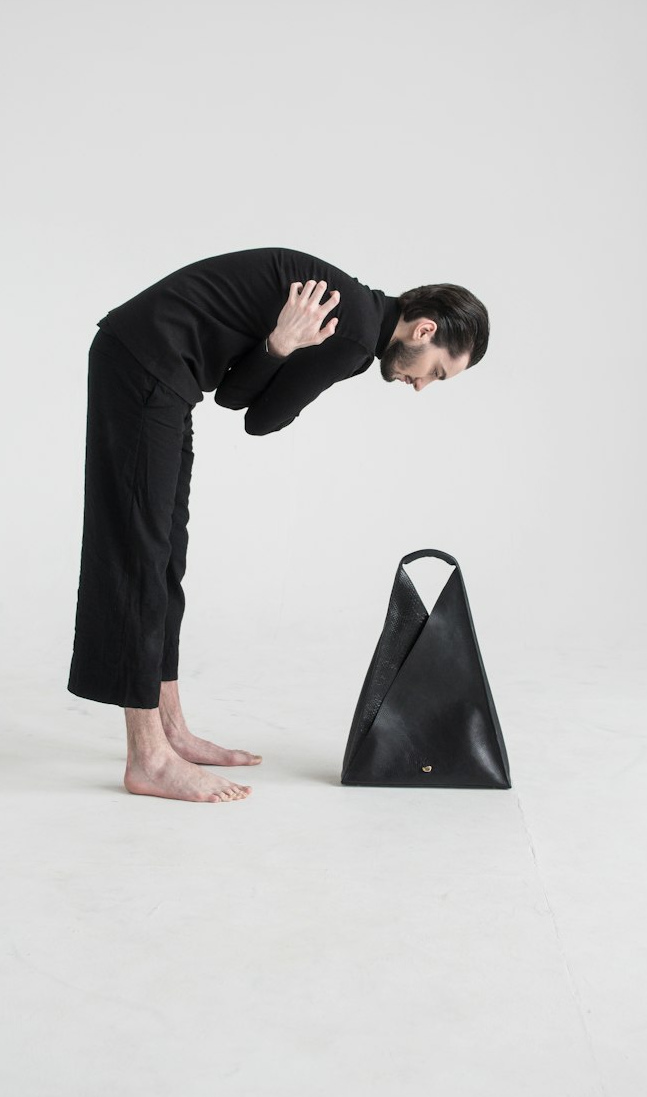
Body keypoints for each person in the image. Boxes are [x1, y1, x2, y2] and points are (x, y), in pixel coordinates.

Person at [67, 246, 489, 803]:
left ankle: (170, 730)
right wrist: (282, 349)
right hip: (145, 360)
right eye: (435, 370)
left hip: (168, 373)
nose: (422, 385)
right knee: (138, 553)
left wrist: (276, 347)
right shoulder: (357, 335)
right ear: (423, 329)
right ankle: (148, 758)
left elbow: (236, 396)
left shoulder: (356, 312)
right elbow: (260, 420)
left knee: (165, 551)